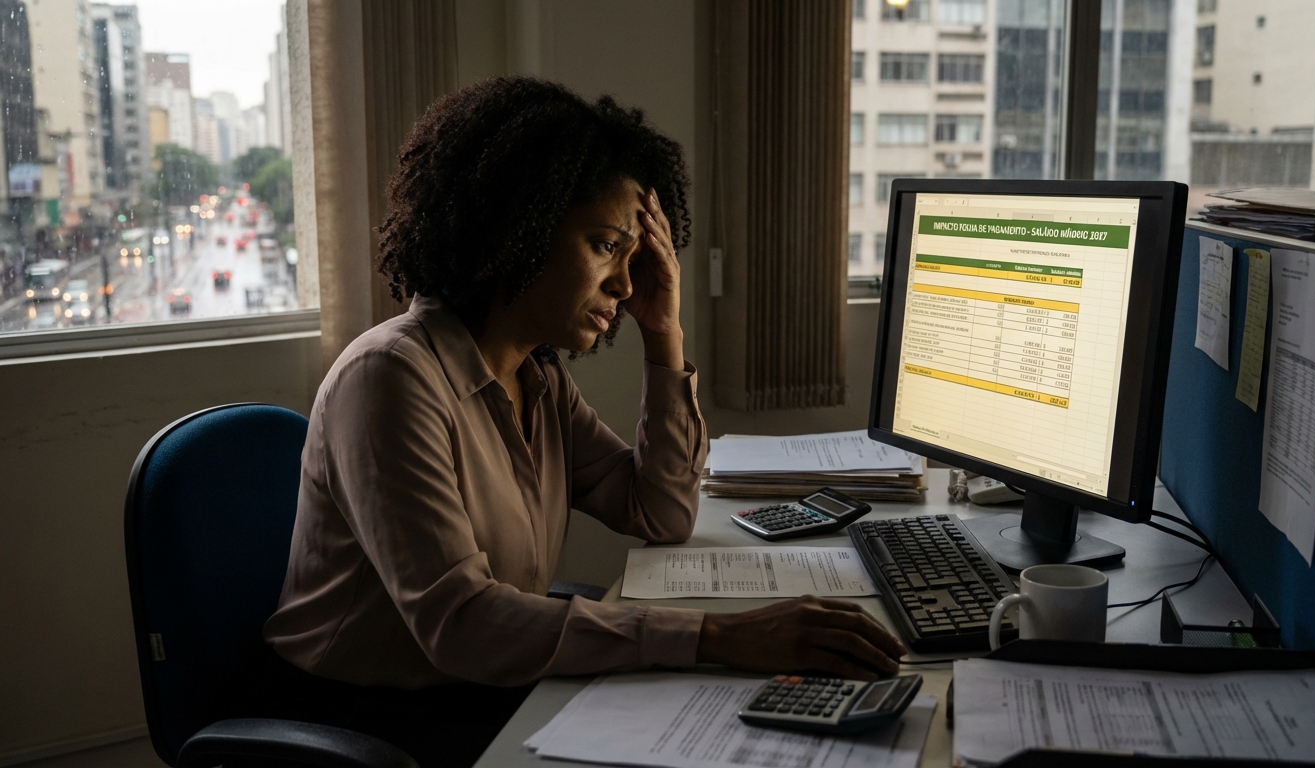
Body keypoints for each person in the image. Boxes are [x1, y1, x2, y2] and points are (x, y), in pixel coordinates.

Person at [261, 76, 905, 767]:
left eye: (635, 259)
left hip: (481, 685)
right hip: (371, 719)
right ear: (519, 226)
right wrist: (719, 635)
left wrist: (664, 334)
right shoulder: (390, 378)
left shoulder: (535, 377)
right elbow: (462, 625)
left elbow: (660, 512)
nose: (625, 286)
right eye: (604, 246)